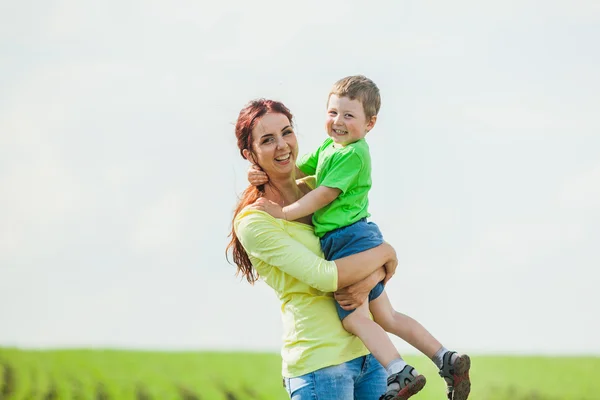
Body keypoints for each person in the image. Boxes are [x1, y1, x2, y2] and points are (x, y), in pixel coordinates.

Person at [248, 75, 471, 400]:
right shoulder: (330, 147)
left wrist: (282, 213)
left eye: (348, 116)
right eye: (333, 113)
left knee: (354, 318)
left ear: (370, 123)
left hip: (346, 238)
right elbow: (297, 172)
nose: (338, 122)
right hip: (361, 237)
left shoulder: (352, 154)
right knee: (387, 316)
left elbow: (319, 195)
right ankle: (445, 358)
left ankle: (399, 370)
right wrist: (258, 172)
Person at [227, 98, 400, 400]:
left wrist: (375, 274)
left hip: (371, 357)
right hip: (321, 365)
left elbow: (357, 252)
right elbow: (324, 276)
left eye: (287, 132)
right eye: (267, 140)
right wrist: (386, 254)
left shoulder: (317, 190)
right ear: (249, 153)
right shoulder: (254, 220)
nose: (282, 146)